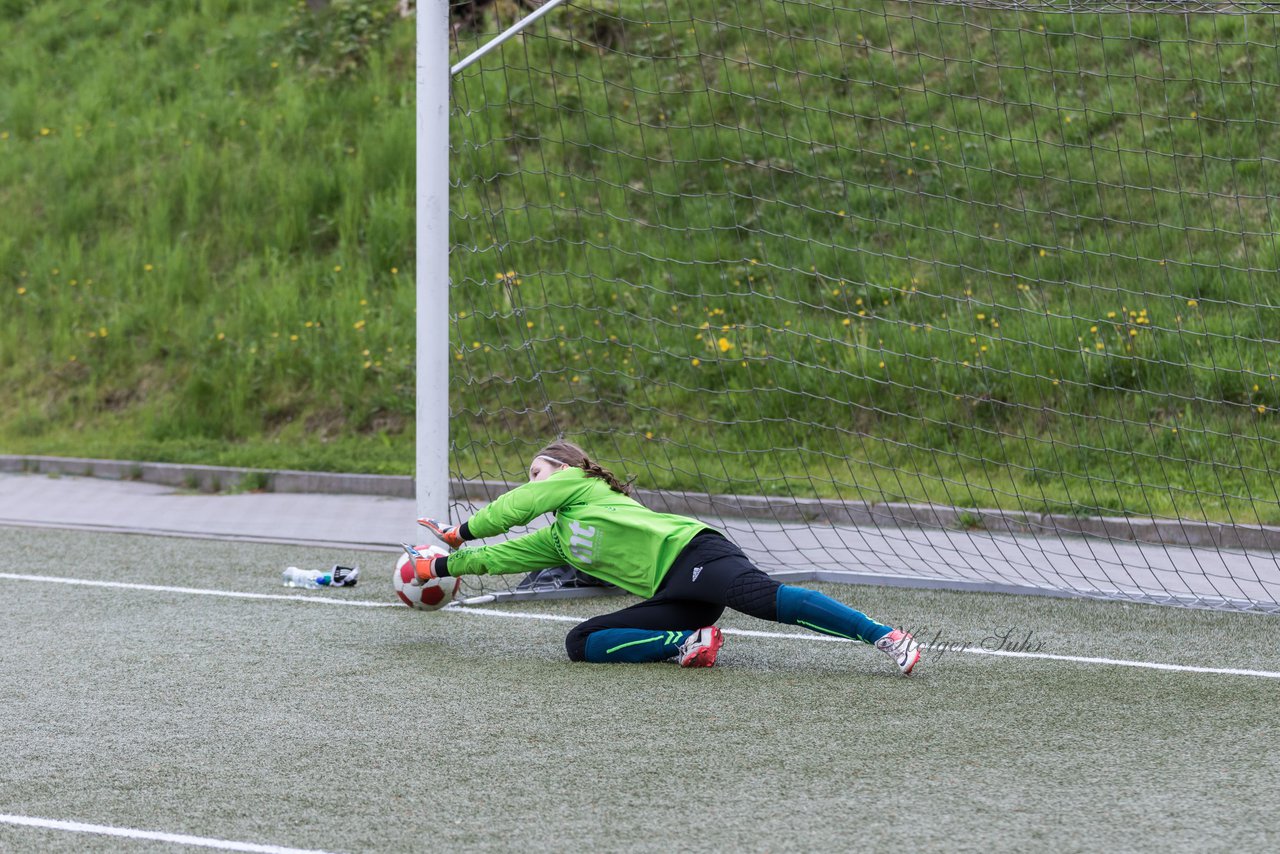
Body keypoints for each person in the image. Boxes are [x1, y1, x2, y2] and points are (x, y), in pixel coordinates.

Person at [411, 440, 921, 674]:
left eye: (537, 472)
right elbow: (505, 555)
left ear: (565, 470)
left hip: (696, 553)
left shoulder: (581, 483)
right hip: (675, 594)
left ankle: (884, 636)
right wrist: (439, 567)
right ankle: (686, 642)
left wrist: (461, 531)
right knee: (580, 641)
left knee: (767, 600)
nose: (531, 483)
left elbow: (517, 508)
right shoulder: (562, 539)